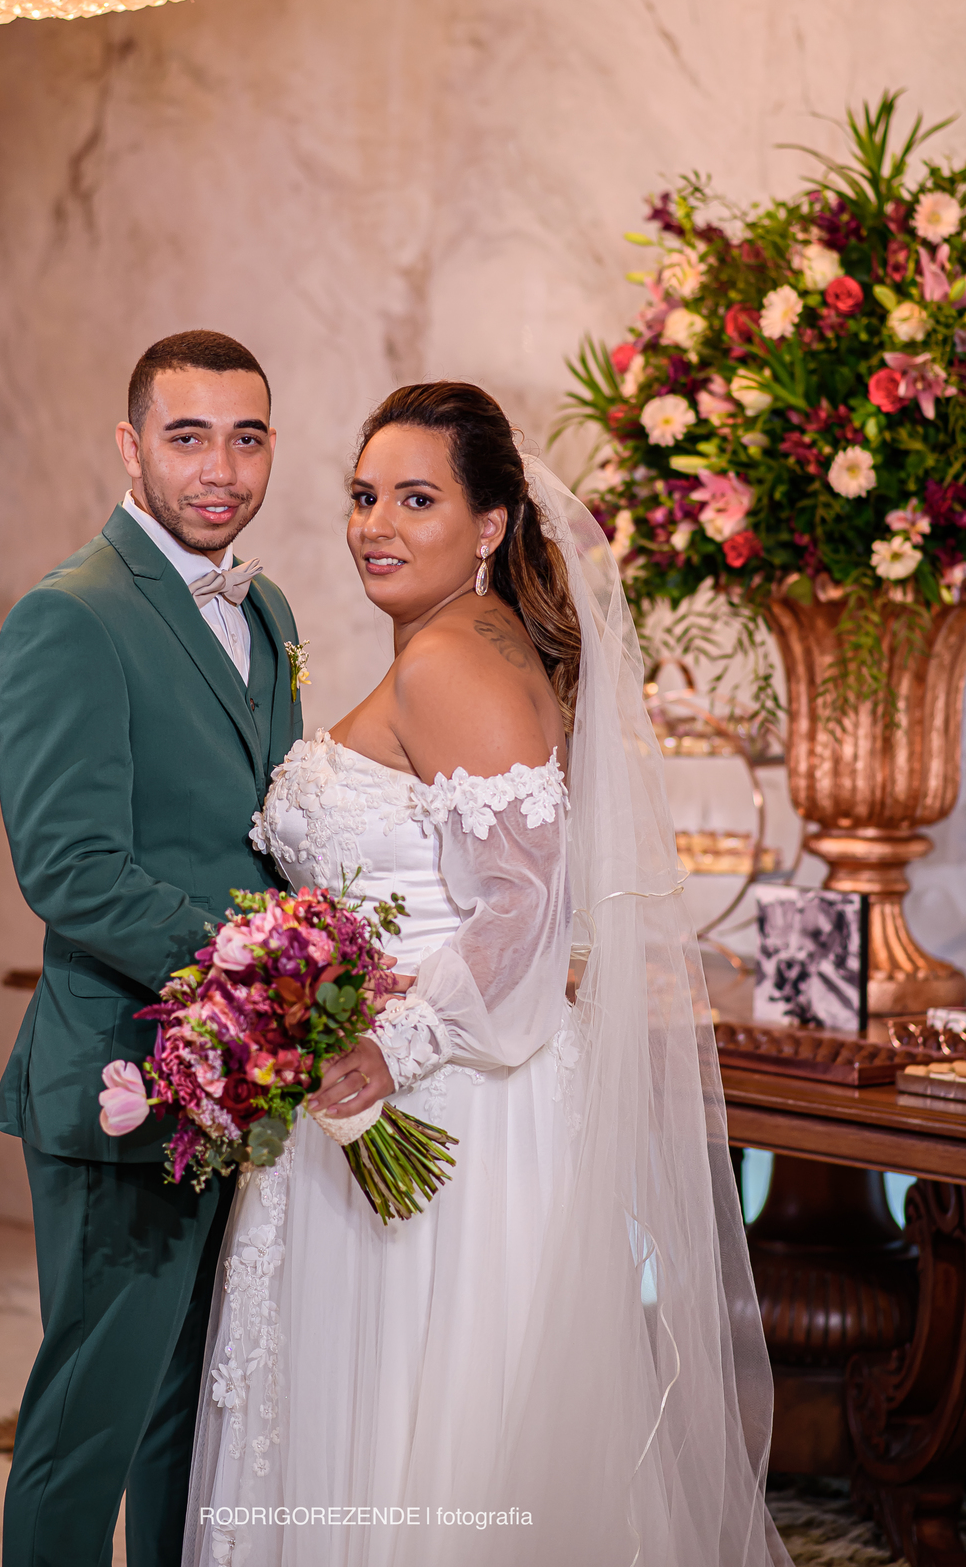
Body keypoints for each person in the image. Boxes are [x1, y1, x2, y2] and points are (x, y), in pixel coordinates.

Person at [184, 382, 788, 1565]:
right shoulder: (470, 640)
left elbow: (523, 904)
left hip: (438, 1100)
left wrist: (383, 1048)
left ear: (492, 523)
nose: (377, 526)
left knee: (411, 1416)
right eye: (365, 496)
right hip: (437, 1086)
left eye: (417, 500)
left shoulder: (451, 661)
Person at [0, 330, 305, 1567]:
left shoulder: (265, 607)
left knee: (195, 1417)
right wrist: (261, 967)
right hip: (122, 1075)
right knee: (92, 1422)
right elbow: (69, 867)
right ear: (131, 447)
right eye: (188, 436)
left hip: (243, 1085)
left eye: (246, 436)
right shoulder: (70, 615)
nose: (220, 468)